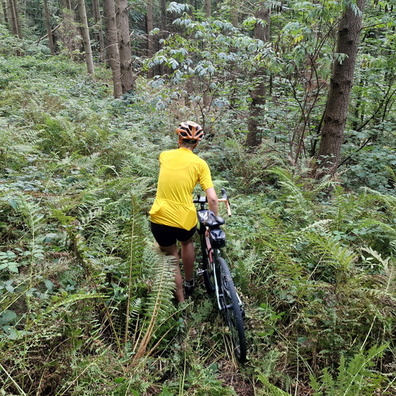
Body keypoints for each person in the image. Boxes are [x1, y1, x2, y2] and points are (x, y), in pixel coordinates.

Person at [149, 121, 218, 303]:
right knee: (187, 243)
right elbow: (212, 198)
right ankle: (189, 283)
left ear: (179, 139)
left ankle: (181, 302)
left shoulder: (164, 156)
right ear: (196, 144)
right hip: (185, 219)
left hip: (160, 217)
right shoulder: (200, 164)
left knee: (172, 257)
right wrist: (213, 221)